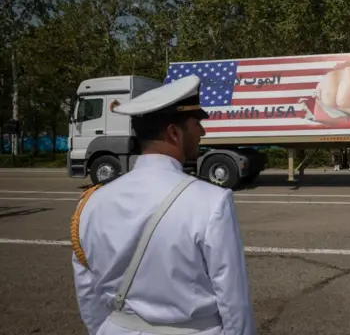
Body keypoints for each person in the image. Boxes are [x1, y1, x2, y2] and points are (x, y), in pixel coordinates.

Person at [70, 74, 257, 335]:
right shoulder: (212, 201)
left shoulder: (91, 203)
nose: (202, 131)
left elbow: (87, 289)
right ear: (174, 133)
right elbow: (233, 299)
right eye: (196, 123)